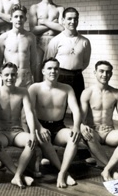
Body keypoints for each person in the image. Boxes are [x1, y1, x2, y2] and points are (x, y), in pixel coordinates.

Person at [80, 60, 118, 181]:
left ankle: (107, 169)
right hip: (94, 132)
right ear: (95, 73)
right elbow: (81, 117)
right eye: (101, 71)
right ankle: (113, 170)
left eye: (108, 72)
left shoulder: (116, 93)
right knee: (88, 133)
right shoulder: (87, 93)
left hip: (109, 133)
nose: (104, 74)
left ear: (111, 74)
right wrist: (81, 125)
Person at [28, 58, 81, 188]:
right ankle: (65, 173)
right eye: (50, 68)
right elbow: (29, 111)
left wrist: (76, 127)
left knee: (74, 138)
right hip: (39, 125)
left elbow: (76, 110)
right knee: (44, 139)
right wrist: (39, 128)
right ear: (43, 71)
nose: (53, 71)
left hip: (58, 127)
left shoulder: (67, 88)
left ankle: (62, 173)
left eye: (56, 68)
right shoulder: (35, 88)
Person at [0, 62, 38, 189]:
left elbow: (29, 113)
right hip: (2, 132)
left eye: (13, 75)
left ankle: (17, 175)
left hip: (17, 131)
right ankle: (19, 175)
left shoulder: (23, 92)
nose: (10, 78)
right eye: (7, 75)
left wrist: (32, 133)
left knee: (31, 141)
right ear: (1, 76)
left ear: (17, 76)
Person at [44, 7, 91, 105]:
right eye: (69, 19)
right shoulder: (56, 40)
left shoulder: (85, 41)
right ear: (63, 20)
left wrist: (74, 70)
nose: (72, 21)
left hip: (77, 77)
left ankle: (78, 121)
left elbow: (85, 62)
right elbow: (48, 61)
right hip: (60, 76)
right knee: (58, 106)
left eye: (75, 19)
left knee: (79, 105)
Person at [29, 0, 64, 82]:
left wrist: (44, 22)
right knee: (38, 74)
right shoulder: (34, 8)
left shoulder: (60, 9)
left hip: (54, 42)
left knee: (53, 73)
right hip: (39, 42)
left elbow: (62, 28)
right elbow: (33, 30)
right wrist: (53, 24)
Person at [0, 5, 38, 88]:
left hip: (26, 76)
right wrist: (5, 75)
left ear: (25, 19)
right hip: (10, 75)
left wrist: (29, 76)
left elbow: (34, 62)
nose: (19, 19)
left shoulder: (31, 37)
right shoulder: (4, 37)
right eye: (16, 16)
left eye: (21, 17)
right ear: (11, 19)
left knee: (26, 100)